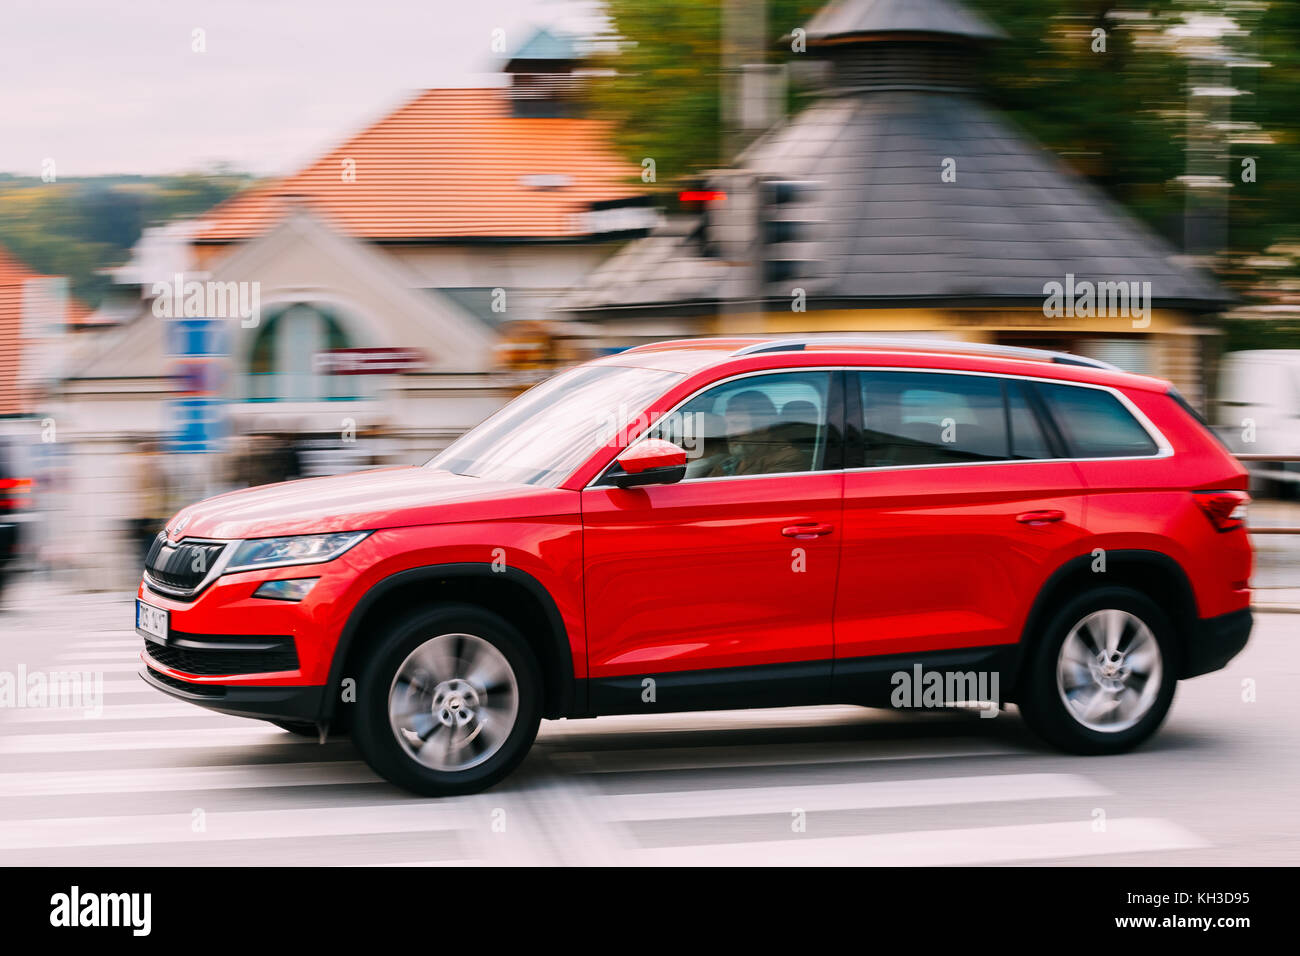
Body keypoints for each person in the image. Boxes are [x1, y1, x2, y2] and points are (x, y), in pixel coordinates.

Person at [698, 390, 807, 478]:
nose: (729, 433)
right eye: (727, 426)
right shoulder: (730, 461)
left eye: (736, 423)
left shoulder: (787, 459)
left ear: (762, 426)